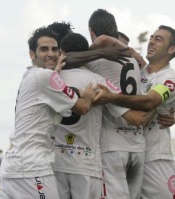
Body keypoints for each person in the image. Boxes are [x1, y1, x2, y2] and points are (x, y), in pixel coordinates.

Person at [0, 27, 97, 199]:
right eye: (44, 49)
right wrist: (88, 95)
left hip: (11, 169)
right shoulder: (46, 77)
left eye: (54, 49)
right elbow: (82, 107)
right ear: (32, 54)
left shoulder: (29, 75)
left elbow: (49, 85)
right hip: (33, 168)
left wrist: (54, 73)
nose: (51, 54)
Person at [53, 32, 151, 199]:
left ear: (61, 52)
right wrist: (155, 101)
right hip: (85, 165)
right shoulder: (97, 81)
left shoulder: (50, 79)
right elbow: (135, 119)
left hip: (56, 164)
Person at [94, 25, 175, 199]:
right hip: (133, 151)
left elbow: (150, 101)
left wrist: (112, 97)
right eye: (151, 37)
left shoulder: (170, 78)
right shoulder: (138, 72)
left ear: (171, 49)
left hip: (156, 157)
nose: (151, 41)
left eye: (158, 39)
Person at [86, 9, 151, 199]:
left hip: (112, 146)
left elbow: (100, 42)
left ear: (91, 32)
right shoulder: (132, 59)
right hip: (138, 146)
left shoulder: (97, 59)